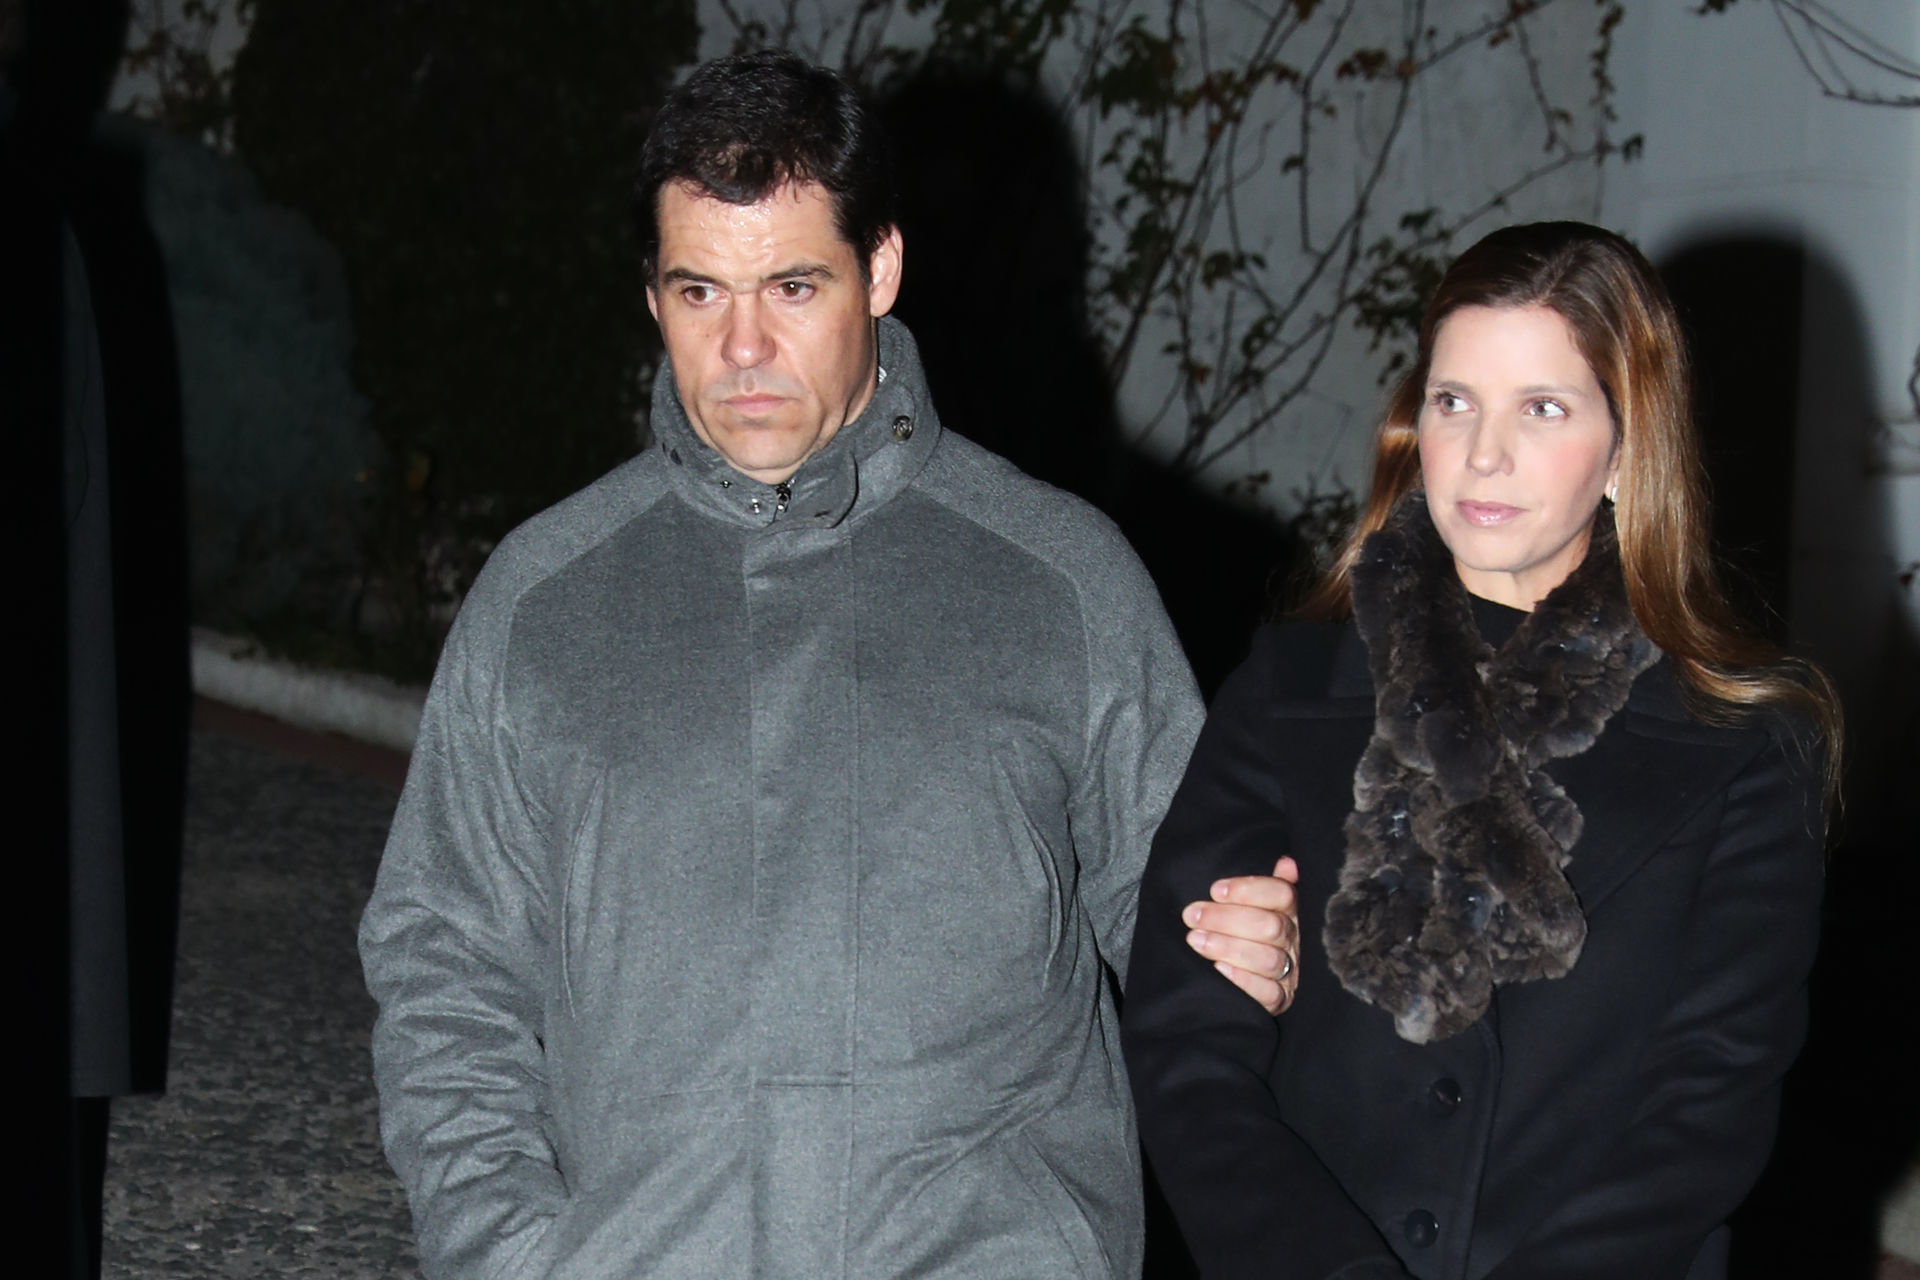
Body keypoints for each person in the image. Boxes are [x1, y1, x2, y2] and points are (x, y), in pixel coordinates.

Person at [359, 50, 1300, 1280]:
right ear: (652, 296)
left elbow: (1195, 943)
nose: (744, 347)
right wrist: (512, 1255)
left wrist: (1257, 963)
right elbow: (444, 972)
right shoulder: (545, 603)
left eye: (793, 286)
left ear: (881, 270)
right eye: (700, 292)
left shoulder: (1061, 582)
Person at [1122, 221, 1842, 1280]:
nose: (1484, 452)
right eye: (1455, 401)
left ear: (1627, 450)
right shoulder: (1291, 689)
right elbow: (1186, 1045)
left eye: (1542, 407)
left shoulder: (1743, 740)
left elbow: (1710, 1103)